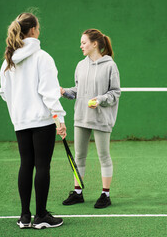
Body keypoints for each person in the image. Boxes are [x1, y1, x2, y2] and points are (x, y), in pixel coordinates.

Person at [0, 12, 67, 229]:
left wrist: (17, 111)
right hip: (41, 122)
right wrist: (59, 119)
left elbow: (4, 92)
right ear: (34, 31)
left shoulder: (9, 60)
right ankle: (41, 216)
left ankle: (25, 217)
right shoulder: (42, 57)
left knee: (26, 165)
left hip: (20, 122)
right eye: (38, 27)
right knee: (42, 166)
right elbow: (49, 92)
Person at [60, 29, 121, 208]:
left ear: (95, 44)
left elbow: (115, 93)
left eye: (84, 42)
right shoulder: (80, 65)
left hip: (102, 118)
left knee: (104, 155)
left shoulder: (110, 66)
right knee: (79, 156)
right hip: (81, 117)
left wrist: (100, 100)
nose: (81, 46)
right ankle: (78, 193)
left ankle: (105, 195)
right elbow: (78, 91)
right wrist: (65, 92)